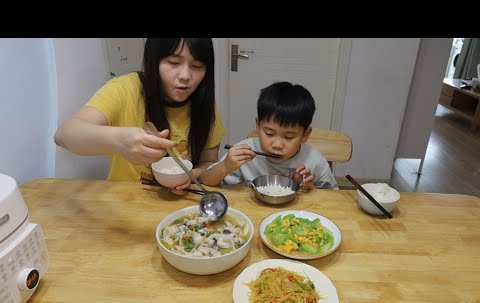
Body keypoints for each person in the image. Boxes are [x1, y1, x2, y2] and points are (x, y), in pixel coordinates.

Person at [54, 38, 225, 192]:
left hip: (182, 205)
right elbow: (64, 135)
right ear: (154, 60)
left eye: (197, 66)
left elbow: (209, 162)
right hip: (125, 202)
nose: (185, 76)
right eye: (173, 62)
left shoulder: (203, 103)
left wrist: (191, 174)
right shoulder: (125, 89)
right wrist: (120, 141)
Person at [200, 81, 338, 190]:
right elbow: (204, 180)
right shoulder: (245, 150)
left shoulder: (314, 160)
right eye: (269, 133)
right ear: (258, 126)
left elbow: (333, 199)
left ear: (305, 135)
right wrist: (226, 165)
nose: (277, 145)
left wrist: (310, 188)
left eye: (289, 137)